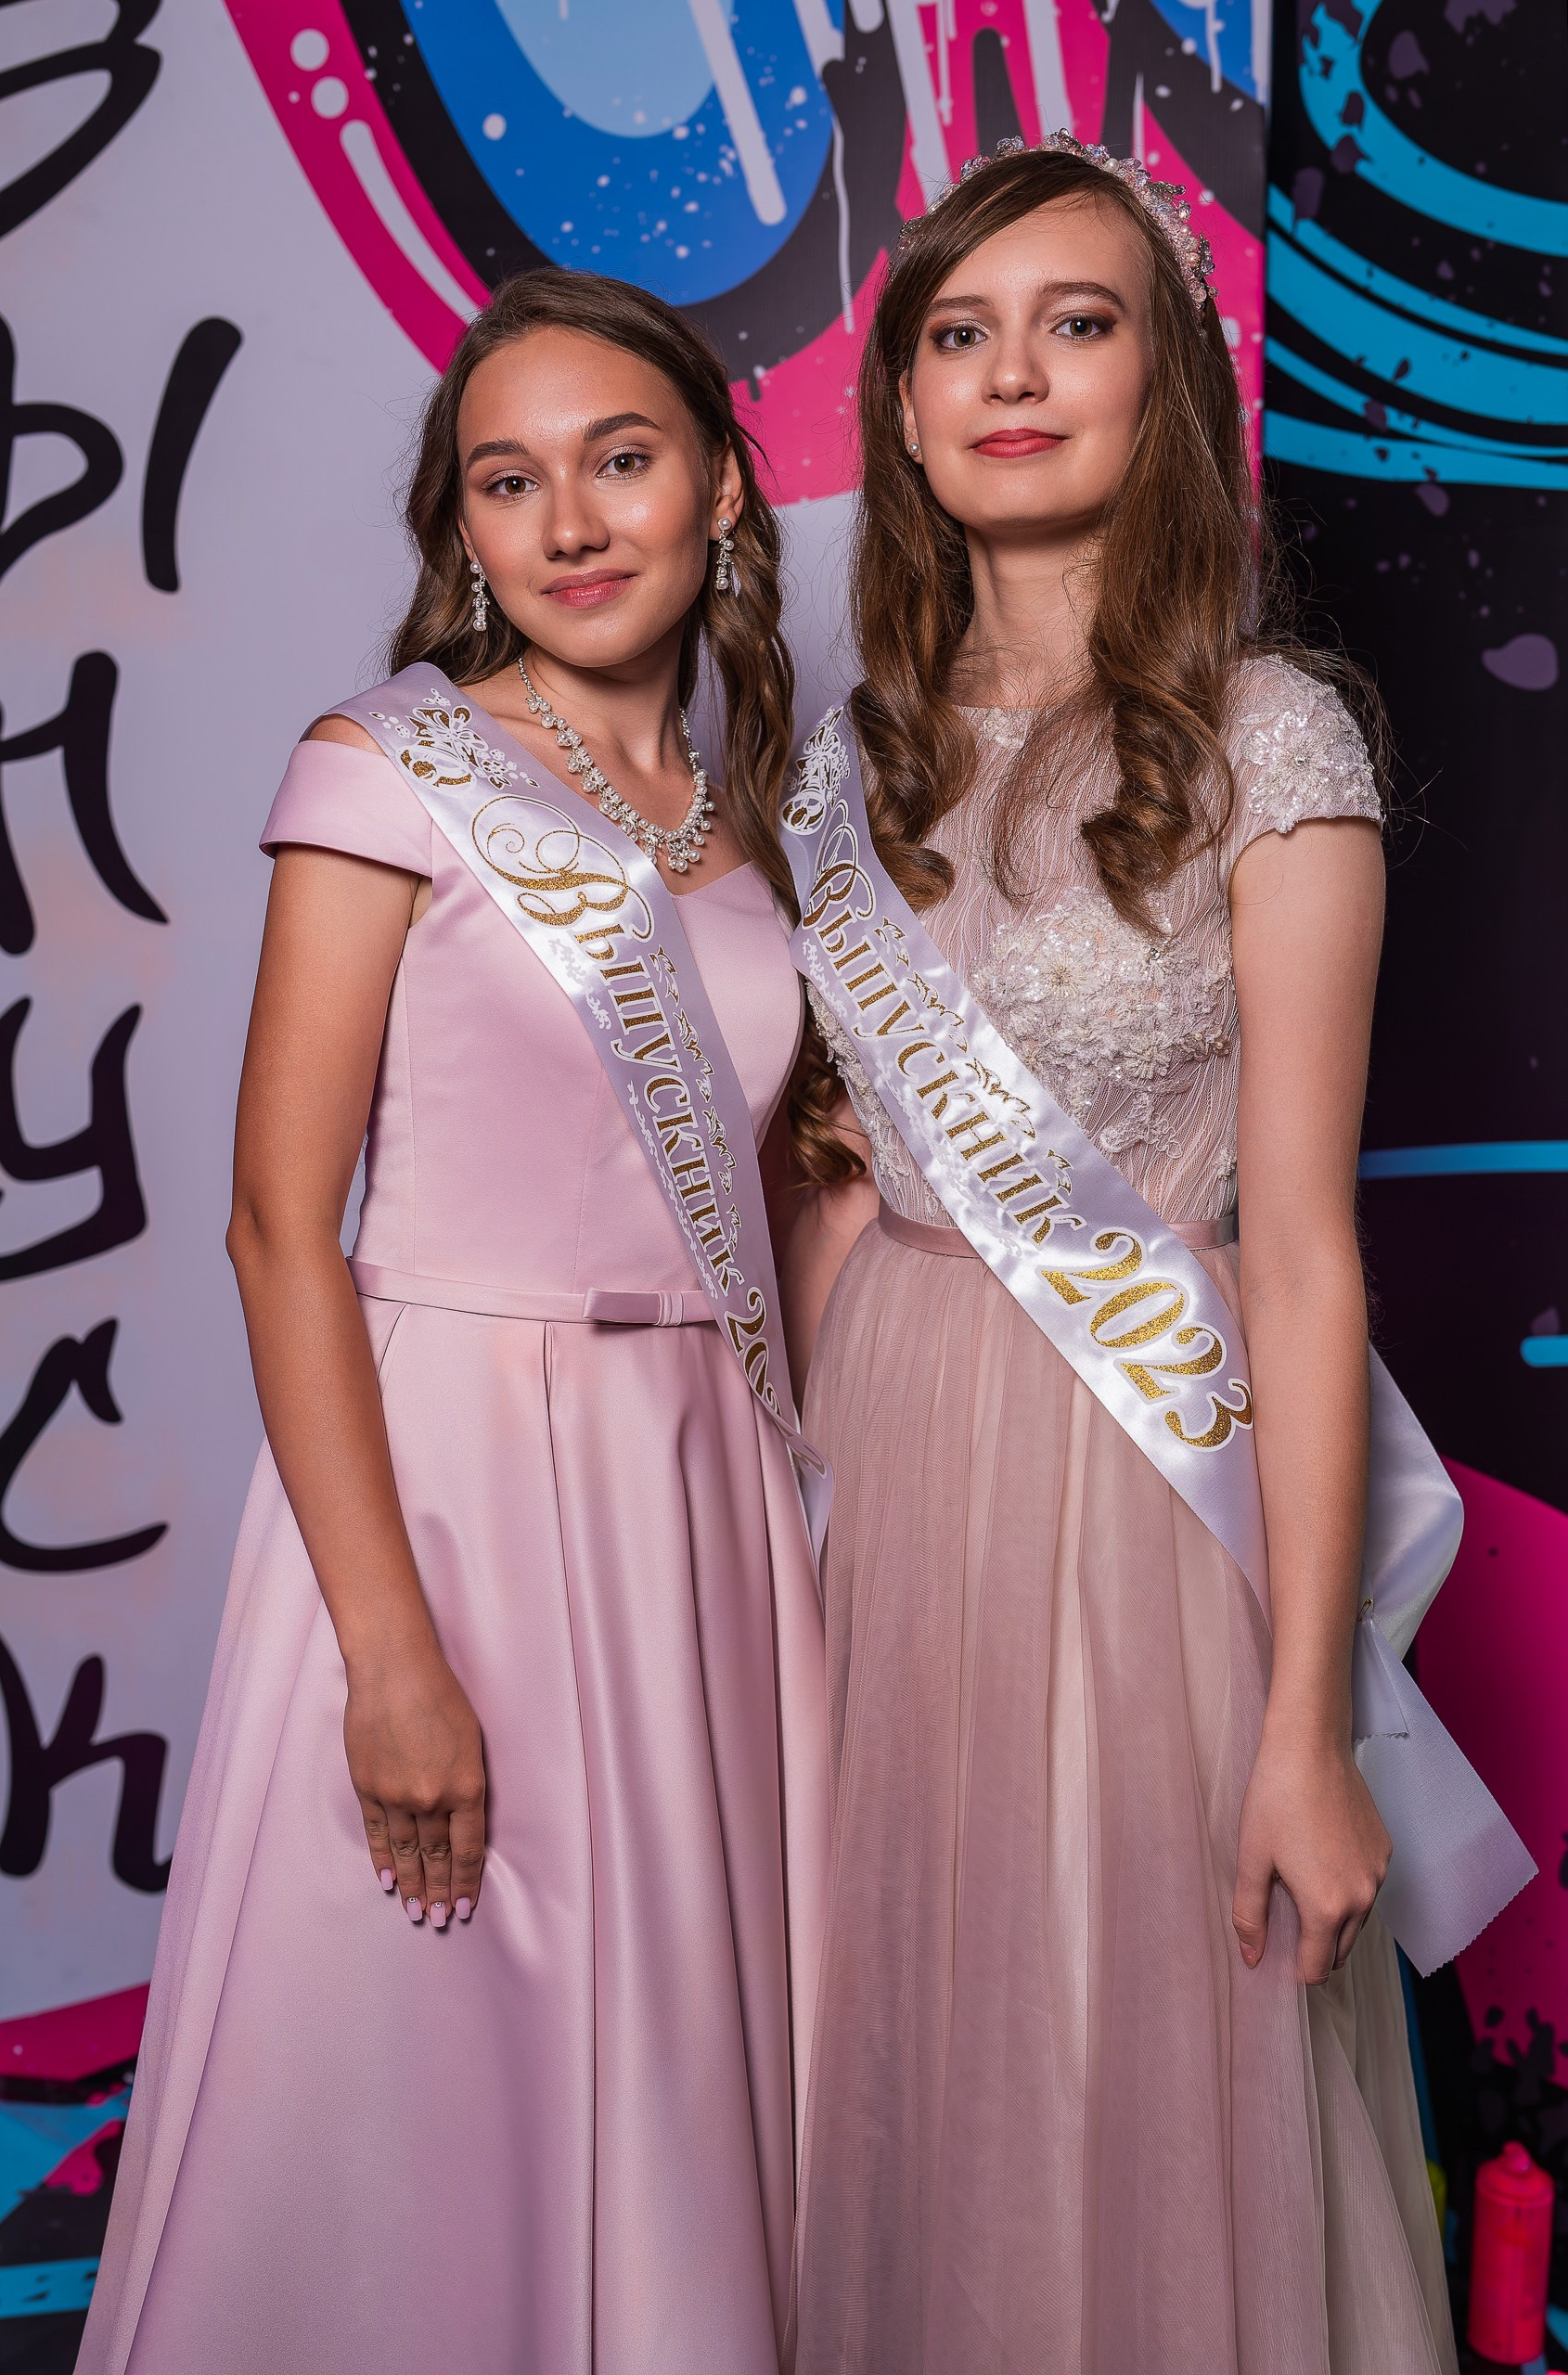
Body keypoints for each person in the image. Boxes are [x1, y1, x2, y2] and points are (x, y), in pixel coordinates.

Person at [77, 270, 827, 2375]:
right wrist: (390, 1653)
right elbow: (274, 1229)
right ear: (464, 527)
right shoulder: (385, 766)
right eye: (509, 481)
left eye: (621, 459)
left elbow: (765, 1214)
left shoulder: (756, 825)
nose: (570, 522)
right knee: (429, 2069)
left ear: (722, 488)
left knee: (684, 2079)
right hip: (453, 1496)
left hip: (698, 1505)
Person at [780, 139, 1460, 2372]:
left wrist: (1305, 1722)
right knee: (907, 2047)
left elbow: (1304, 1258)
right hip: (892, 1480)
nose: (1011, 376)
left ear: (1162, 380)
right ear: (899, 409)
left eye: (1075, 325)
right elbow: (822, 1177)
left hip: (1143, 1495)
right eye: (957, 334)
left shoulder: (1273, 739)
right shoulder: (841, 771)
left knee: (1133, 2036)